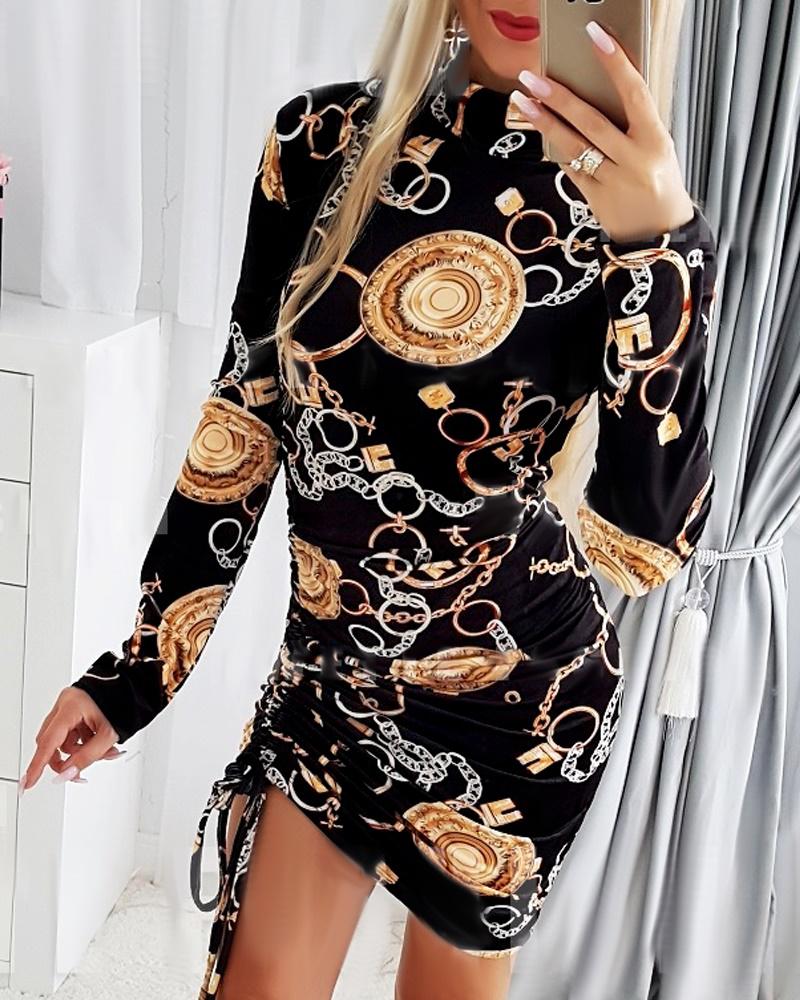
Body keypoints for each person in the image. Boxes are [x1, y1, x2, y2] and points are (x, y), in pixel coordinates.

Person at [20, 1, 717, 998]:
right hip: (325, 684)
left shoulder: (628, 208)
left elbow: (642, 549)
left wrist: (659, 249)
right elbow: (243, 418)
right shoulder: (319, 142)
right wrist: (135, 673)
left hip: (518, 710)